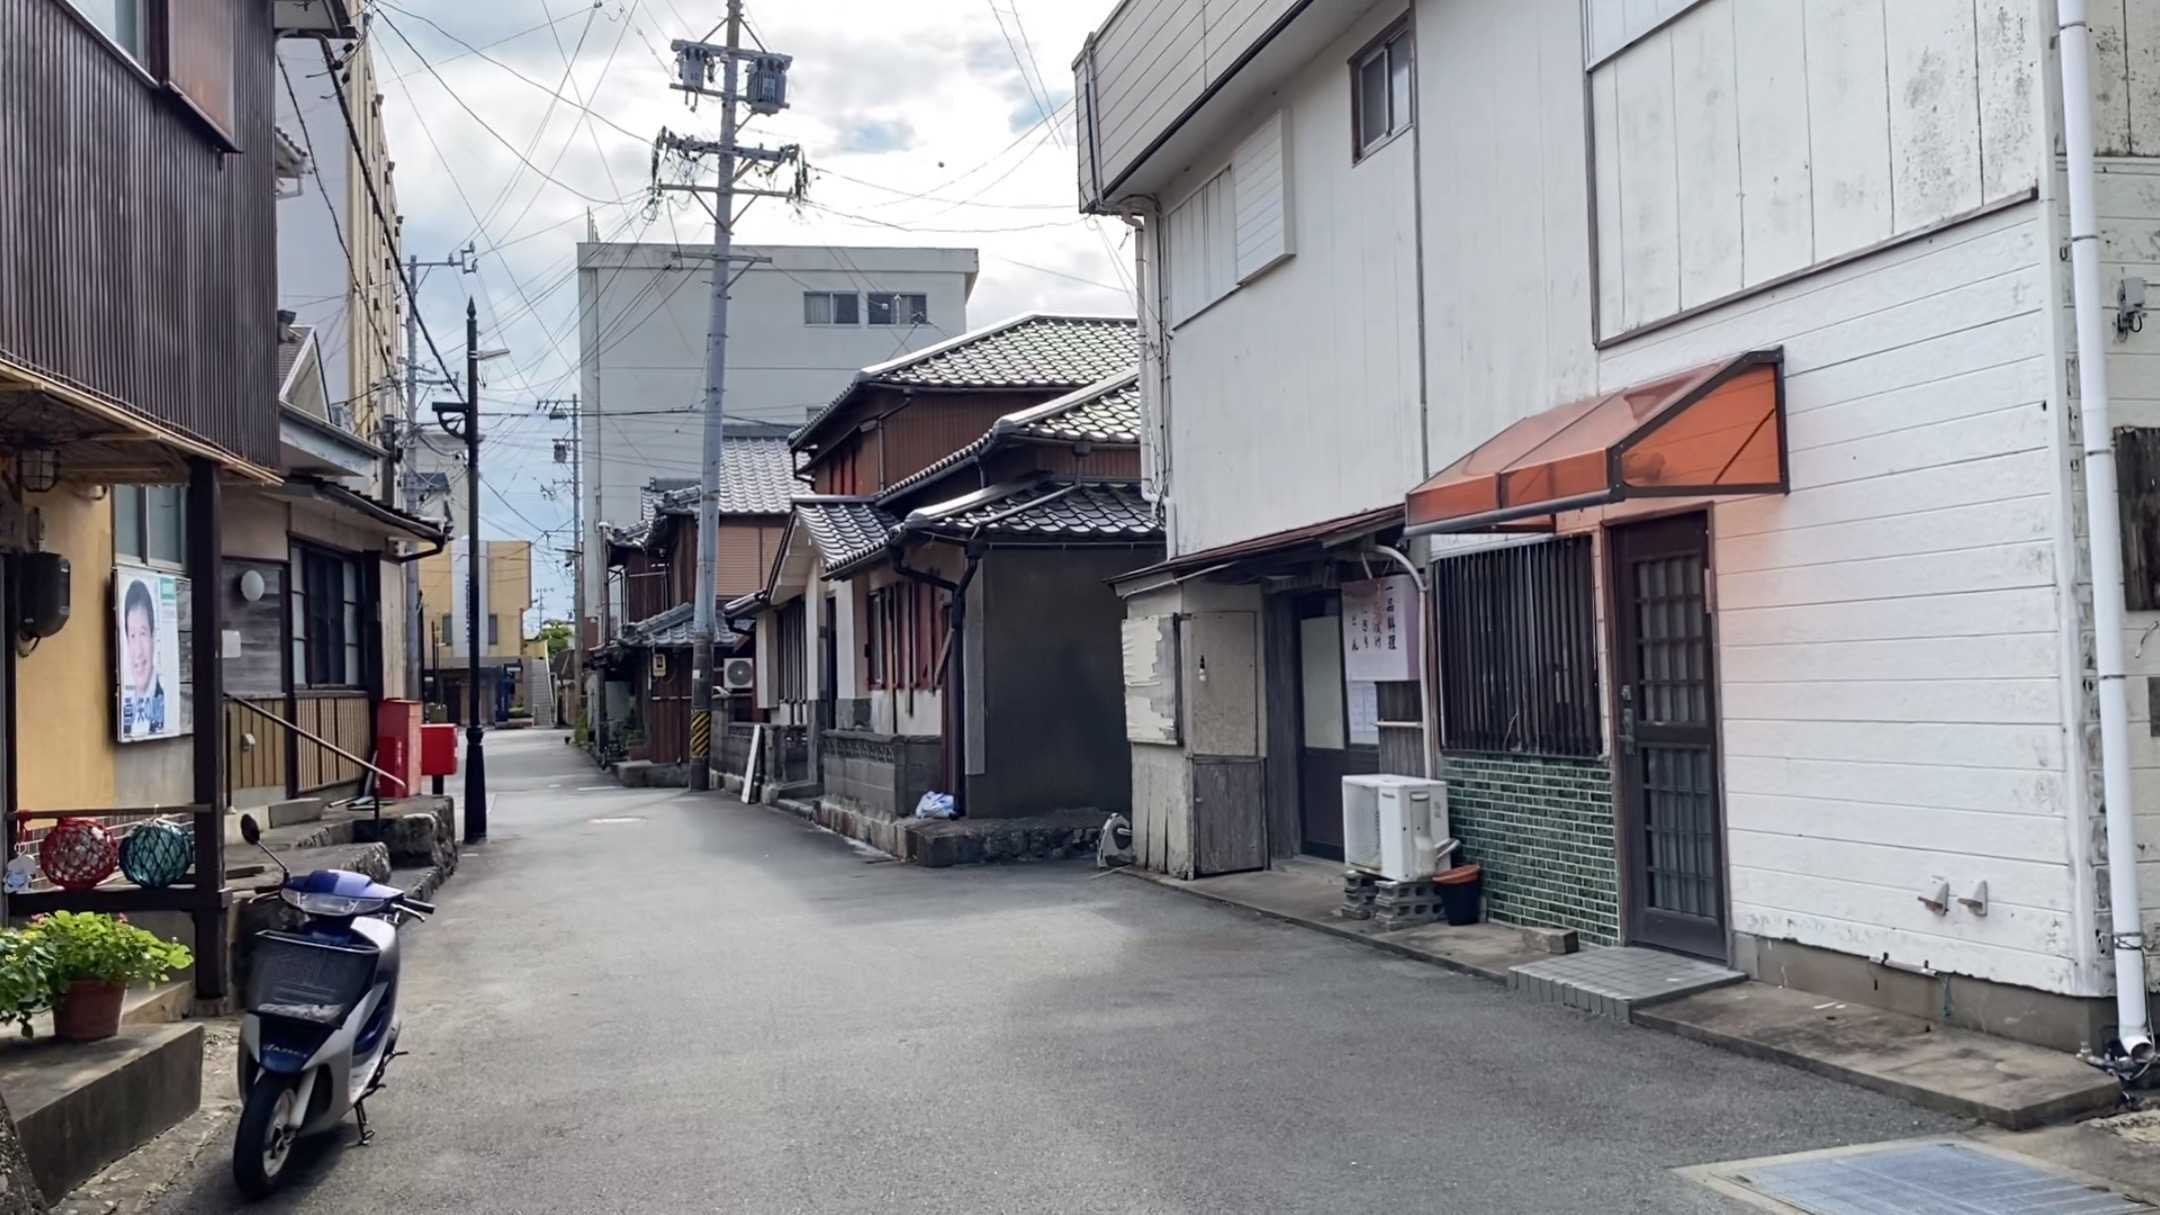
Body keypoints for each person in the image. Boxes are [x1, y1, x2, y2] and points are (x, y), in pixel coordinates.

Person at [120, 578, 166, 737]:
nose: (138, 651)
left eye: (143, 633)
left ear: (153, 636)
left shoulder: (166, 704)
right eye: (132, 636)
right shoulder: (125, 708)